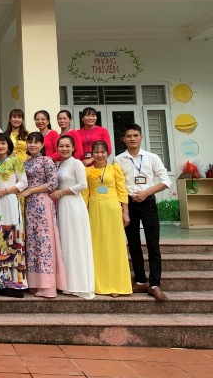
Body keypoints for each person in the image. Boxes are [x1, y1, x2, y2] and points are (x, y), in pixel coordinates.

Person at [115, 124, 172, 301]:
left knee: (153, 243)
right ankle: (140, 280)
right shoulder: (118, 160)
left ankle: (154, 284)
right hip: (128, 205)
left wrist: (146, 192)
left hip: (148, 203)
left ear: (141, 137)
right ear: (123, 139)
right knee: (133, 244)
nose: (132, 138)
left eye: (135, 135)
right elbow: (118, 185)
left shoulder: (152, 157)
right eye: (129, 136)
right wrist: (124, 207)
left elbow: (166, 181)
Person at [19, 132, 67, 298]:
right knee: (32, 243)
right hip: (29, 205)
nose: (32, 145)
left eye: (36, 142)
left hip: (42, 203)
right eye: (30, 142)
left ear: (42, 145)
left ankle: (48, 285)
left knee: (44, 242)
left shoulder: (47, 160)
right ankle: (35, 283)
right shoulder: (26, 162)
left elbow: (53, 183)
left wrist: (31, 190)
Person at [84, 140, 132, 297]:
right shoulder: (87, 171)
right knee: (97, 244)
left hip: (112, 208)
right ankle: (99, 283)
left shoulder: (114, 169)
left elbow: (122, 191)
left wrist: (125, 212)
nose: (99, 155)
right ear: (92, 154)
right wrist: (83, 212)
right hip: (95, 209)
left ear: (107, 153)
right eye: (96, 152)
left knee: (114, 245)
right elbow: (85, 193)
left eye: (102, 152)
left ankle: (116, 285)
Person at [50, 135, 95, 300]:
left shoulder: (77, 163)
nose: (64, 149)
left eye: (67, 146)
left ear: (73, 147)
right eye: (61, 146)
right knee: (66, 243)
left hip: (74, 205)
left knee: (76, 243)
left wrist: (61, 192)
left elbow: (83, 185)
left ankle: (80, 284)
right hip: (62, 205)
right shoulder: (61, 164)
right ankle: (67, 283)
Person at [0, 133, 28, 298]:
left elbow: (24, 182)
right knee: (1, 240)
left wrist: (5, 190)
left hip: (10, 202)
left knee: (12, 239)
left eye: (3, 143)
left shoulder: (15, 161)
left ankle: (16, 285)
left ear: (8, 145)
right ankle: (3, 282)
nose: (0, 146)